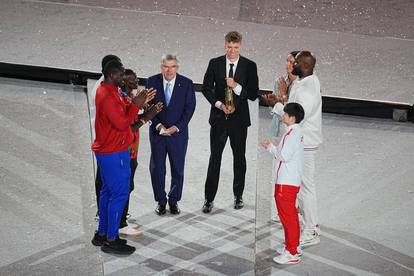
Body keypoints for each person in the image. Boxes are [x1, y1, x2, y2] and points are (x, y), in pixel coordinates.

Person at [90, 60, 155, 255]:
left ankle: (102, 234)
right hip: (114, 151)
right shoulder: (108, 95)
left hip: (109, 150)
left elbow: (123, 112)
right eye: (120, 75)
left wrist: (140, 108)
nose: (122, 77)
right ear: (111, 75)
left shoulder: (109, 90)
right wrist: (136, 107)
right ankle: (112, 239)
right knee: (119, 194)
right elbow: (122, 123)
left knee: (107, 193)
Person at [201, 31, 259, 213]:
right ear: (224, 45)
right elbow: (206, 88)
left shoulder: (249, 66)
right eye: (229, 47)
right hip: (219, 119)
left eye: (235, 47)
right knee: (215, 159)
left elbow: (253, 93)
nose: (232, 51)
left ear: (240, 46)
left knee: (239, 158)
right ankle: (209, 199)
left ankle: (238, 196)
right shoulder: (215, 63)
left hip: (239, 121)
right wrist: (219, 105)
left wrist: (236, 86)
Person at [271, 51, 323, 247]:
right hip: (301, 141)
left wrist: (276, 104)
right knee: (301, 186)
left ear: (306, 67)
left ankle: (311, 230)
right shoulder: (306, 81)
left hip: (305, 144)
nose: (292, 64)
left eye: (296, 62)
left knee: (305, 187)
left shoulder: (307, 90)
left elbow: (295, 116)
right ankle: (307, 224)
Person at [146, 54, 196, 216]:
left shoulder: (187, 84)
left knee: (177, 169)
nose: (169, 70)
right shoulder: (151, 82)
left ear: (177, 67)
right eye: (166, 67)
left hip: (177, 135)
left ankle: (173, 201)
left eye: (172, 66)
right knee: (157, 169)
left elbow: (189, 109)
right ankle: (161, 201)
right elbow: (147, 106)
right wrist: (159, 125)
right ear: (161, 67)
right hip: (157, 134)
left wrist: (175, 127)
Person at [117, 69, 163, 236]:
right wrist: (147, 116)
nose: (137, 83)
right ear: (123, 83)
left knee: (128, 186)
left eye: (136, 80)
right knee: (124, 187)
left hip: (132, 151)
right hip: (124, 152)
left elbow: (133, 118)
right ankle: (120, 223)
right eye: (132, 81)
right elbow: (128, 126)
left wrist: (146, 110)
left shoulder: (129, 98)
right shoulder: (121, 100)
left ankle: (123, 219)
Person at [261, 102, 305, 265]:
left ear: (292, 118)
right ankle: (293, 246)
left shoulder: (292, 134)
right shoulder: (295, 132)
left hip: (286, 183)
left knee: (288, 218)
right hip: (289, 181)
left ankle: (292, 252)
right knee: (290, 216)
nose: (283, 116)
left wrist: (271, 147)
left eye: (285, 114)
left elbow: (284, 156)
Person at [262, 51, 300, 223]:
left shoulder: (301, 85)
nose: (288, 65)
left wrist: (282, 97)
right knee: (276, 173)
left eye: (292, 62)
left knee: (292, 173)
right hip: (279, 131)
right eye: (287, 61)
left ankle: (293, 208)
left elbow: (293, 113)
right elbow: (276, 111)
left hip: (292, 134)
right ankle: (278, 210)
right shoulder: (280, 81)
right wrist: (274, 100)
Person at [92, 55, 121, 214]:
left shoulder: (109, 87)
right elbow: (119, 120)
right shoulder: (102, 89)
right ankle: (101, 210)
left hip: (108, 138)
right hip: (105, 139)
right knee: (103, 176)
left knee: (106, 175)